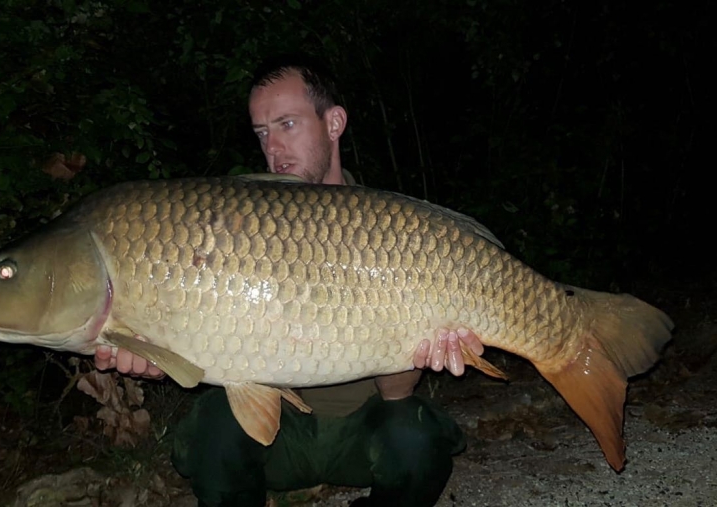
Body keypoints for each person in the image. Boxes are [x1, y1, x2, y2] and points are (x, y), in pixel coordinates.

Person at [95, 54, 487, 507]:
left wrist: (426, 345)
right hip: (278, 438)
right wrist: (152, 350)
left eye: (287, 125)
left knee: (417, 436)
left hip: (361, 434)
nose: (273, 149)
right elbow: (194, 326)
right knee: (212, 430)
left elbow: (395, 392)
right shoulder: (231, 223)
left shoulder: (392, 233)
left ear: (334, 122)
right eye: (262, 133)